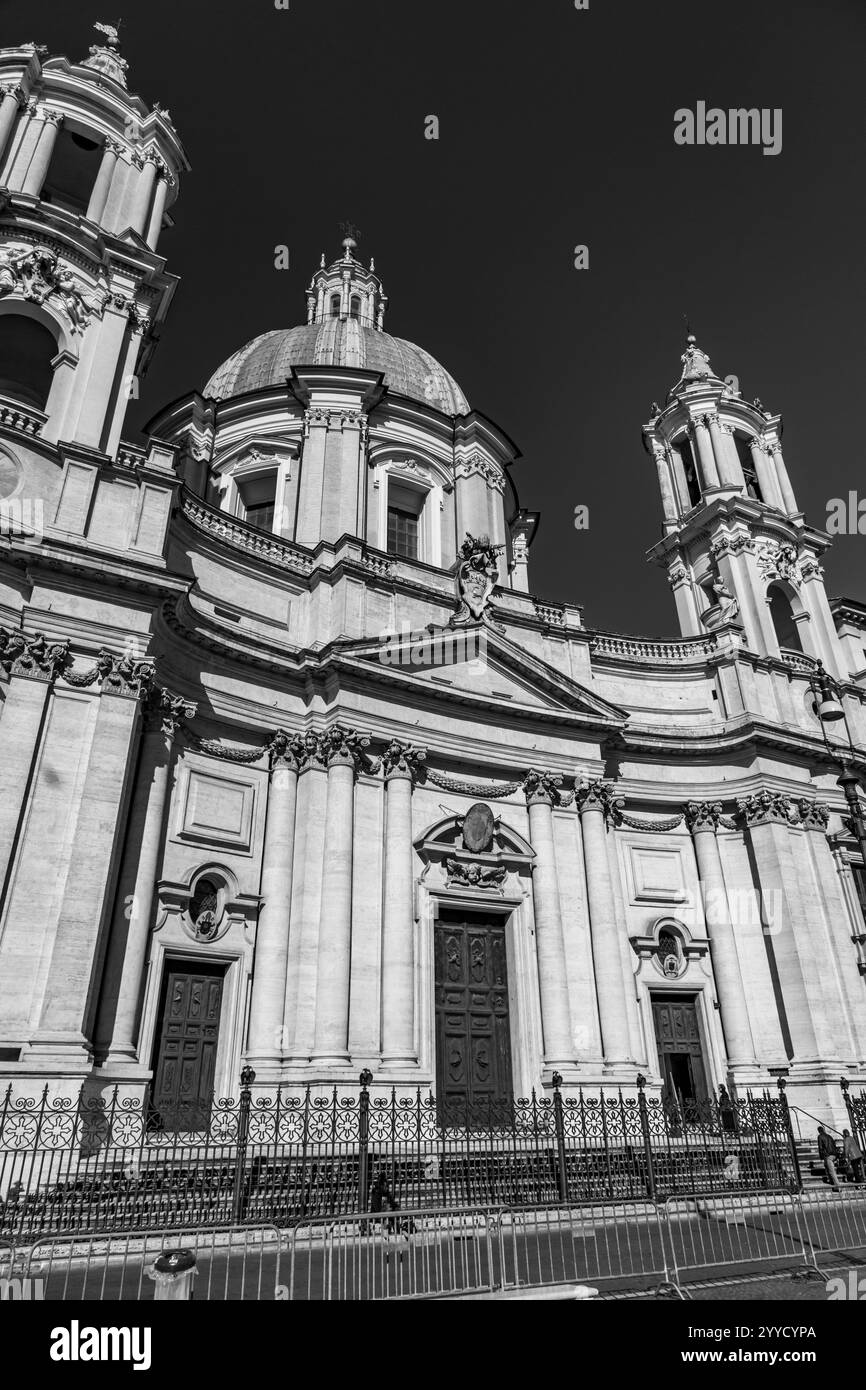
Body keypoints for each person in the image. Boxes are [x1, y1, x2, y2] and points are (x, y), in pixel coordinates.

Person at [817, 1126, 840, 1190]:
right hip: (833, 1154)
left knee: (831, 1171)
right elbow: (834, 1145)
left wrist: (821, 1157)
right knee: (827, 1167)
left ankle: (837, 1187)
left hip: (828, 1155)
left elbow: (820, 1147)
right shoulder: (829, 1136)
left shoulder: (820, 1136)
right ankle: (832, 1182)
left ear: (819, 1131)